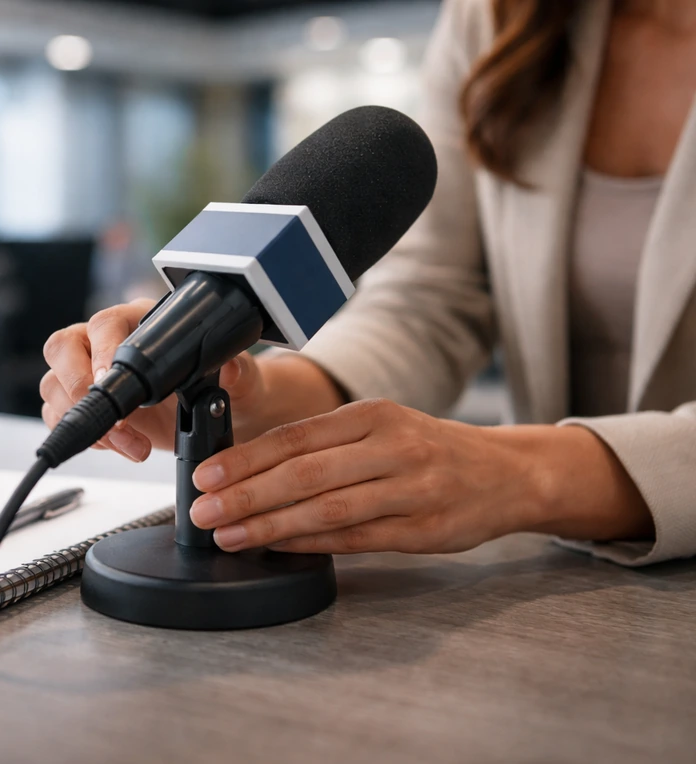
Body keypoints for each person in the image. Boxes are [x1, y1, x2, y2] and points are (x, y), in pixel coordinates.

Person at [40, 0, 696, 567]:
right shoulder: (500, 16)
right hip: (556, 593)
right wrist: (257, 394)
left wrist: (529, 474)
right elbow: (430, 302)